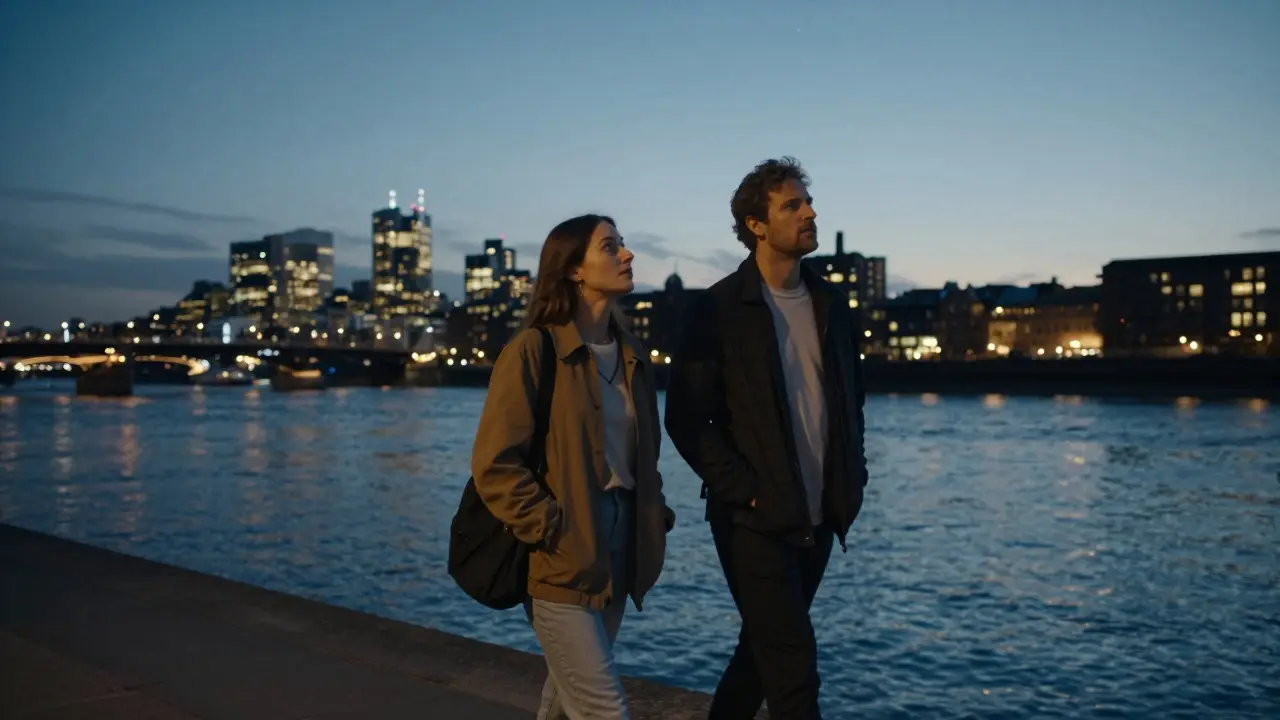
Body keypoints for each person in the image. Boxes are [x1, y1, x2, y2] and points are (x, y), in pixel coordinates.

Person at [665, 157, 869, 720]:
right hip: (753, 522)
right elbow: (687, 418)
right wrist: (748, 493)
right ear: (756, 224)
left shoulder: (831, 306)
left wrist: (852, 476)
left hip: (819, 516)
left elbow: (853, 399)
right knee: (794, 672)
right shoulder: (716, 309)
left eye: (808, 202)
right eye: (792, 205)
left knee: (761, 655)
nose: (810, 213)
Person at [470, 213, 676, 720]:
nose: (626, 254)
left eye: (623, 244)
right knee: (604, 709)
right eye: (610, 246)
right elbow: (494, 463)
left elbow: (642, 457)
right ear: (574, 269)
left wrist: (652, 513)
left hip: (622, 546)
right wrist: (549, 528)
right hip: (562, 552)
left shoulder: (633, 356)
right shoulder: (533, 350)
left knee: (564, 703)